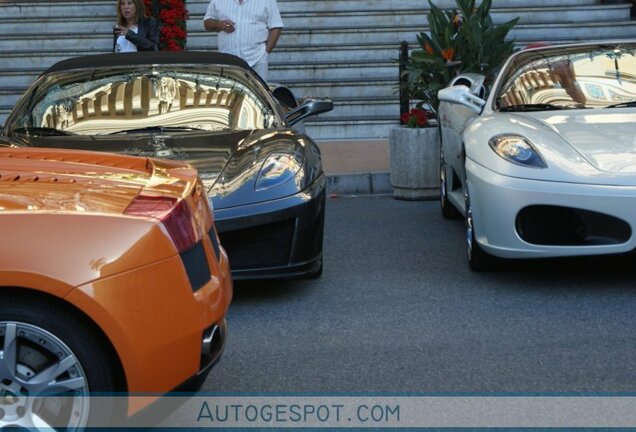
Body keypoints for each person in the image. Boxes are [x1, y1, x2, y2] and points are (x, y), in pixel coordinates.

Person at [203, 0, 284, 82]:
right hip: (227, 62)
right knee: (230, 94)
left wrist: (265, 53)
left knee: (257, 94)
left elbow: (276, 26)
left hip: (256, 60)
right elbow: (207, 23)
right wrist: (218, 24)